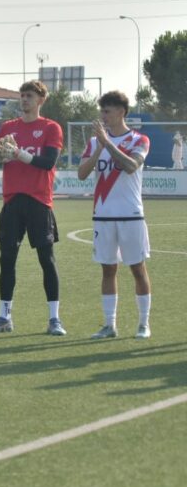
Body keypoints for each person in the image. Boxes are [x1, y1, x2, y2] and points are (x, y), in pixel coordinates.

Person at [0, 80, 66, 335]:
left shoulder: (51, 127)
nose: (24, 99)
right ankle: (4, 317)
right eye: (22, 95)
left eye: (29, 96)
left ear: (41, 100)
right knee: (6, 259)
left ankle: (54, 319)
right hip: (12, 202)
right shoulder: (8, 128)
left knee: (46, 260)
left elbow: (48, 162)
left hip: (39, 201)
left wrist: (19, 154)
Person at [77, 91, 152, 339]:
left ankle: (143, 324)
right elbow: (82, 173)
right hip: (103, 215)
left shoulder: (139, 139)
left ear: (121, 112)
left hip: (131, 215)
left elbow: (131, 166)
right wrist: (99, 147)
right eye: (101, 112)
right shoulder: (93, 142)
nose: (103, 116)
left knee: (137, 269)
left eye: (107, 111)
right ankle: (110, 325)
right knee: (108, 270)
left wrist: (108, 144)